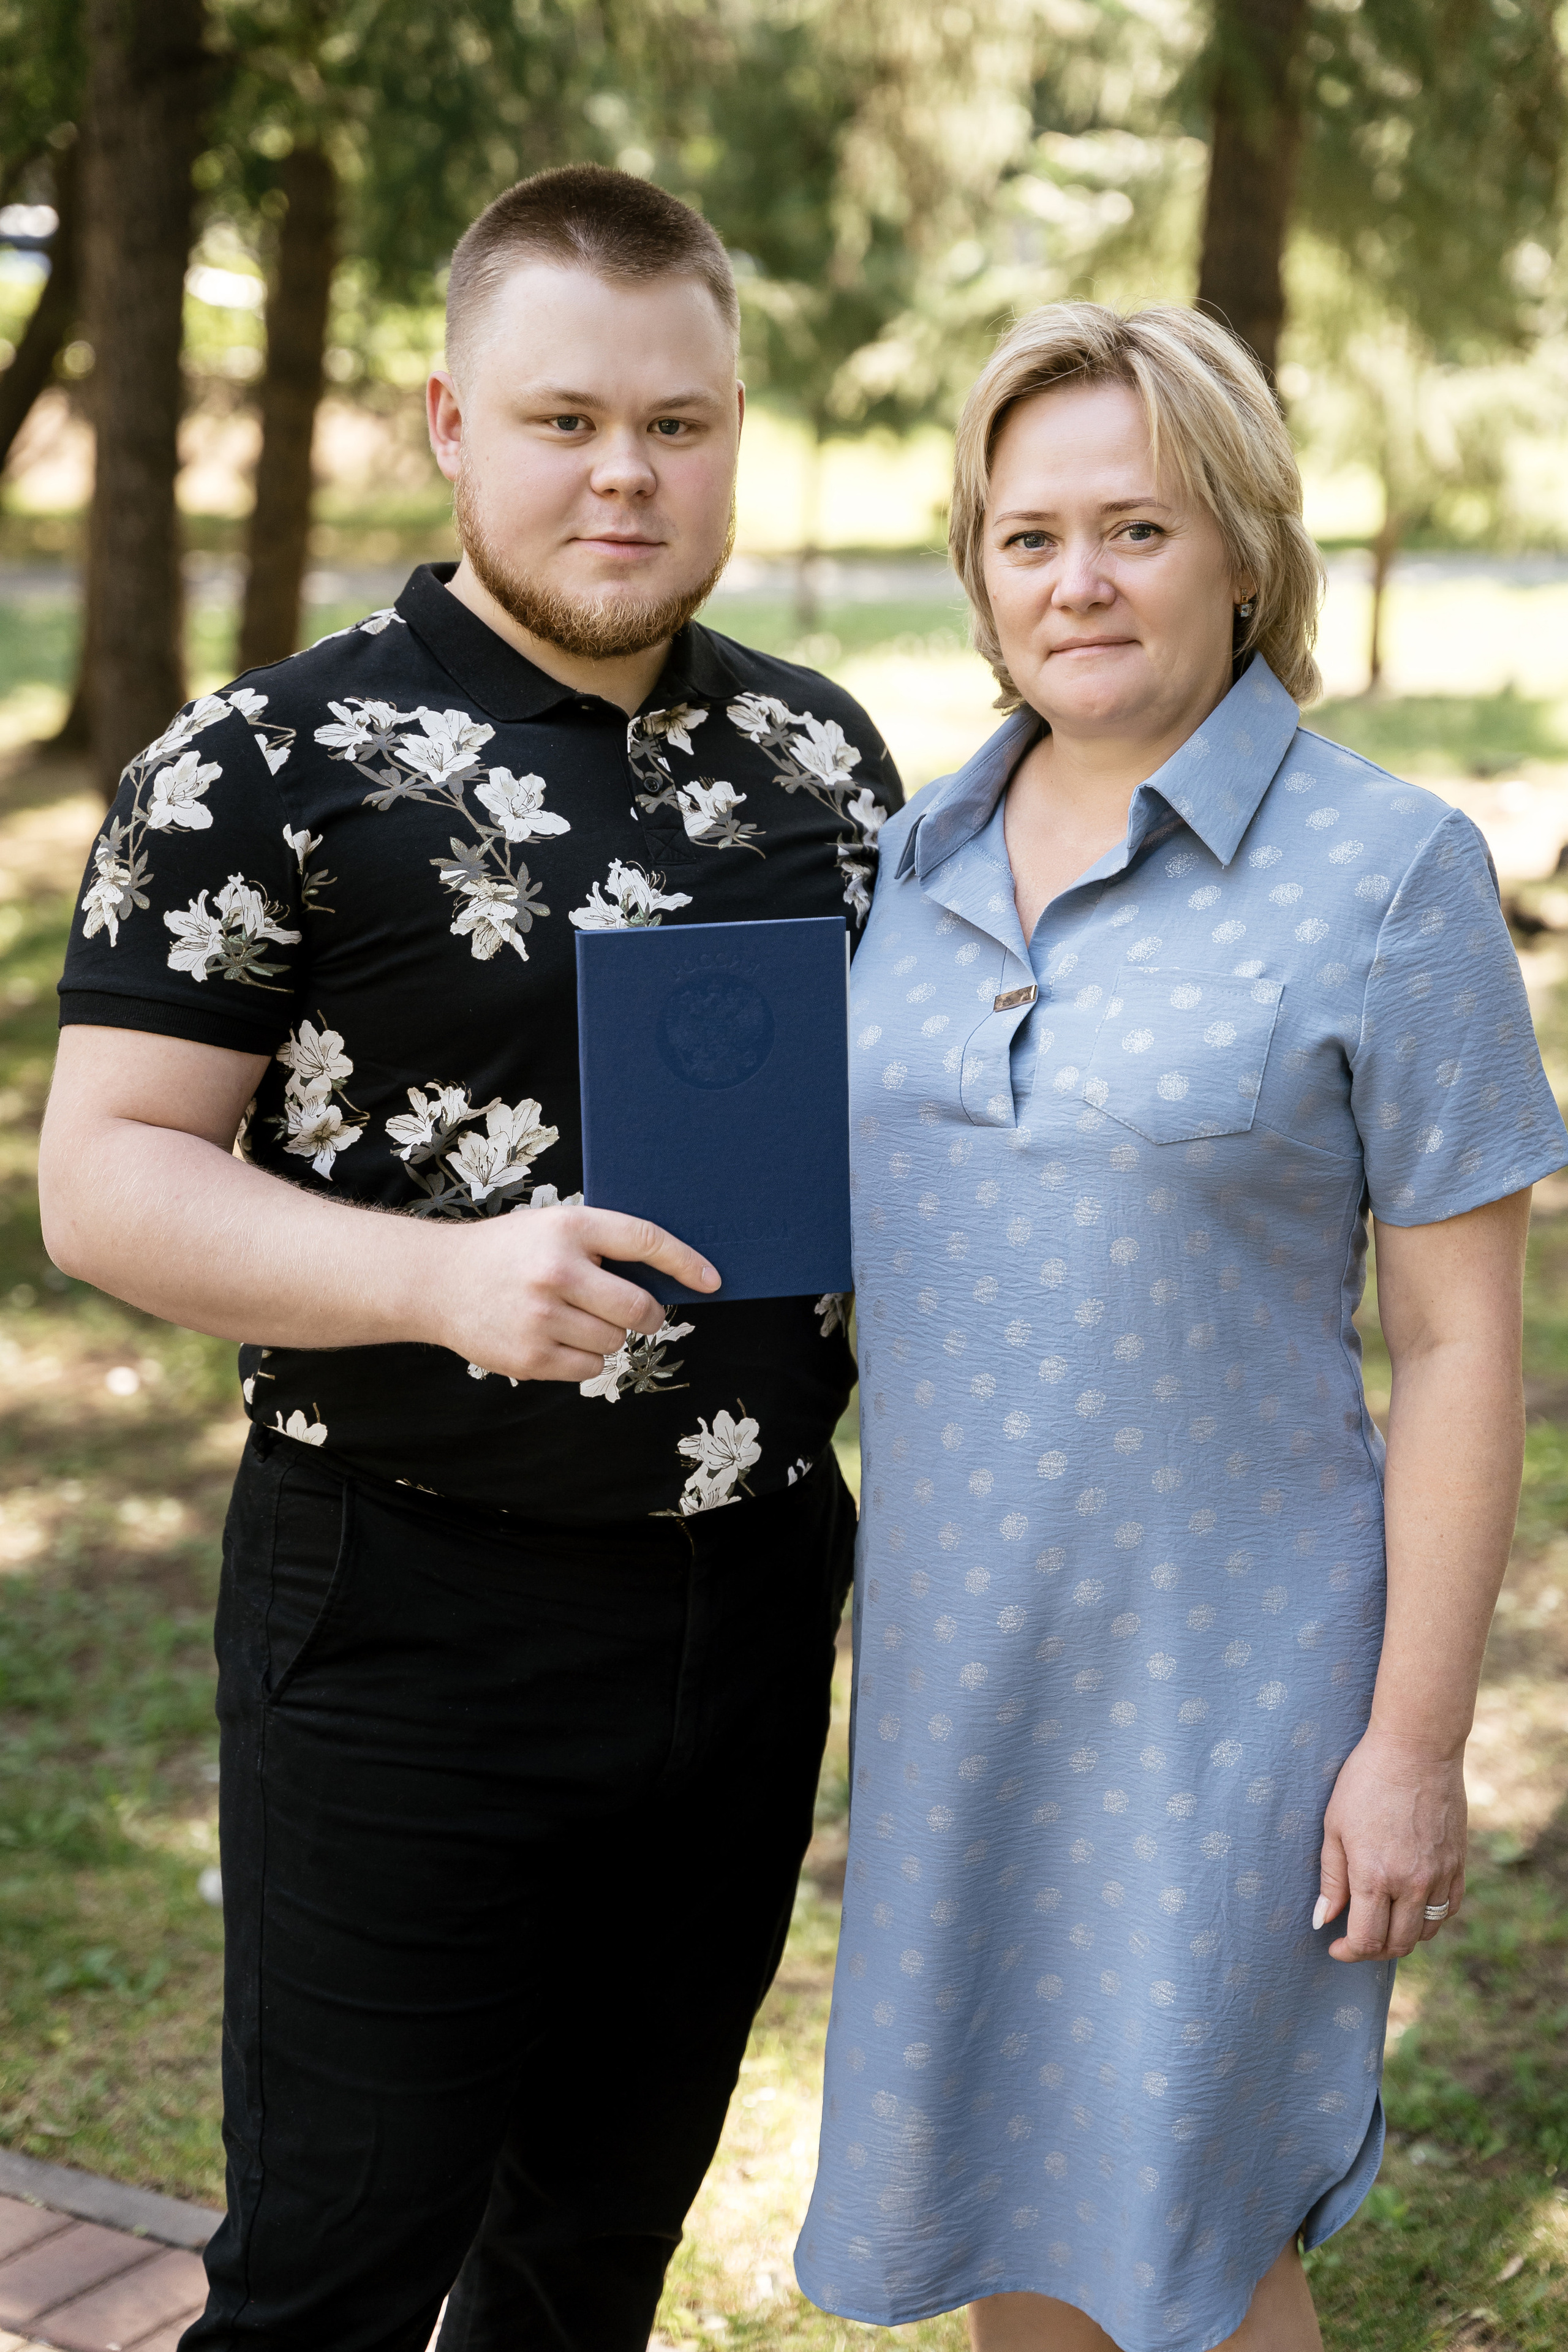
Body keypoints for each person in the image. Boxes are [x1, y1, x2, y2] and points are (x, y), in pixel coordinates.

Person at [39, 164, 901, 2352]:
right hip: (407, 1611)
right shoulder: (260, 765)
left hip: (748, 1605)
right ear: (449, 423)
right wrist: (437, 1282)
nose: (626, 473)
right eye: (564, 419)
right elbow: (104, 1180)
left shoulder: (822, 753)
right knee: (332, 2282)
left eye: (677, 423)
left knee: (589, 2266)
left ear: (734, 428)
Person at [794, 300, 1568, 2352]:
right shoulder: (904, 865)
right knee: (1012, 2205)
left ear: (1243, 545)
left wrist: (1413, 1745)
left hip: (1242, 1697)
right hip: (959, 1675)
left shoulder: (1391, 874)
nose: (1079, 580)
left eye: (1136, 527)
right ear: (977, 571)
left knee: (1198, 2247)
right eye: (1028, 536)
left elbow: (1462, 1352)